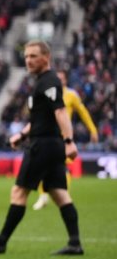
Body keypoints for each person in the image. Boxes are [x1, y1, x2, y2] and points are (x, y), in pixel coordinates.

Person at [0, 41, 83, 256]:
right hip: (50, 144)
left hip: (43, 145)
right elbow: (42, 117)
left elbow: (60, 112)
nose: (28, 60)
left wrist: (69, 141)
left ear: (46, 57)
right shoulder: (41, 82)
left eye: (33, 56)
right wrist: (22, 134)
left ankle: (1, 241)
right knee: (59, 193)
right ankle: (75, 243)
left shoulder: (49, 81)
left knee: (19, 191)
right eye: (26, 56)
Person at [31, 69, 98, 210]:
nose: (59, 81)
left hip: (63, 137)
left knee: (62, 168)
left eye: (62, 78)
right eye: (57, 78)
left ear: (66, 80)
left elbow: (83, 113)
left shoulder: (71, 95)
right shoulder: (48, 94)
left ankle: (63, 194)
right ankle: (43, 196)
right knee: (41, 167)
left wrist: (92, 130)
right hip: (46, 135)